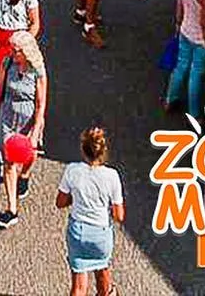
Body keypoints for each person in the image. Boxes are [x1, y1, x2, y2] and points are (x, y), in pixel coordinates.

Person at [0, 30, 48, 228]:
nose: (12, 53)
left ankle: (26, 175)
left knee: (30, 155)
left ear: (27, 52)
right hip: (8, 116)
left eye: (16, 50)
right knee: (10, 162)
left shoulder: (38, 71)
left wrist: (35, 132)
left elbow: (40, 104)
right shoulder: (7, 63)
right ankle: (12, 210)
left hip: (29, 118)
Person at [56, 125, 125, 295]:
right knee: (103, 273)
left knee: (78, 286)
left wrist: (76, 195)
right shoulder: (112, 176)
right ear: (103, 150)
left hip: (78, 231)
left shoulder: (72, 171)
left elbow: (60, 202)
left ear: (83, 149)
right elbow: (119, 216)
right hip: (100, 234)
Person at [165, 0, 205, 119]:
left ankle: (170, 99)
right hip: (199, 40)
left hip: (185, 31)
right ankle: (194, 114)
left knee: (181, 66)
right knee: (196, 74)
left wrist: (178, 23)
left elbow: (180, 4)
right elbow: (204, 23)